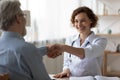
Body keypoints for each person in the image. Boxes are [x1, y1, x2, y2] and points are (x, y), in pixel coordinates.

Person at [0, 0, 61, 80]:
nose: (25, 20)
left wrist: (45, 50)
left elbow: (15, 55)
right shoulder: (26, 49)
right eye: (23, 15)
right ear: (18, 18)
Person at [53, 6, 107, 78]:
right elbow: (67, 62)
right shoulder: (70, 40)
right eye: (76, 21)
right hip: (73, 78)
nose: (79, 24)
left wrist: (64, 47)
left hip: (92, 78)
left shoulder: (100, 41)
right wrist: (66, 70)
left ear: (91, 20)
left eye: (83, 21)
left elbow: (87, 52)